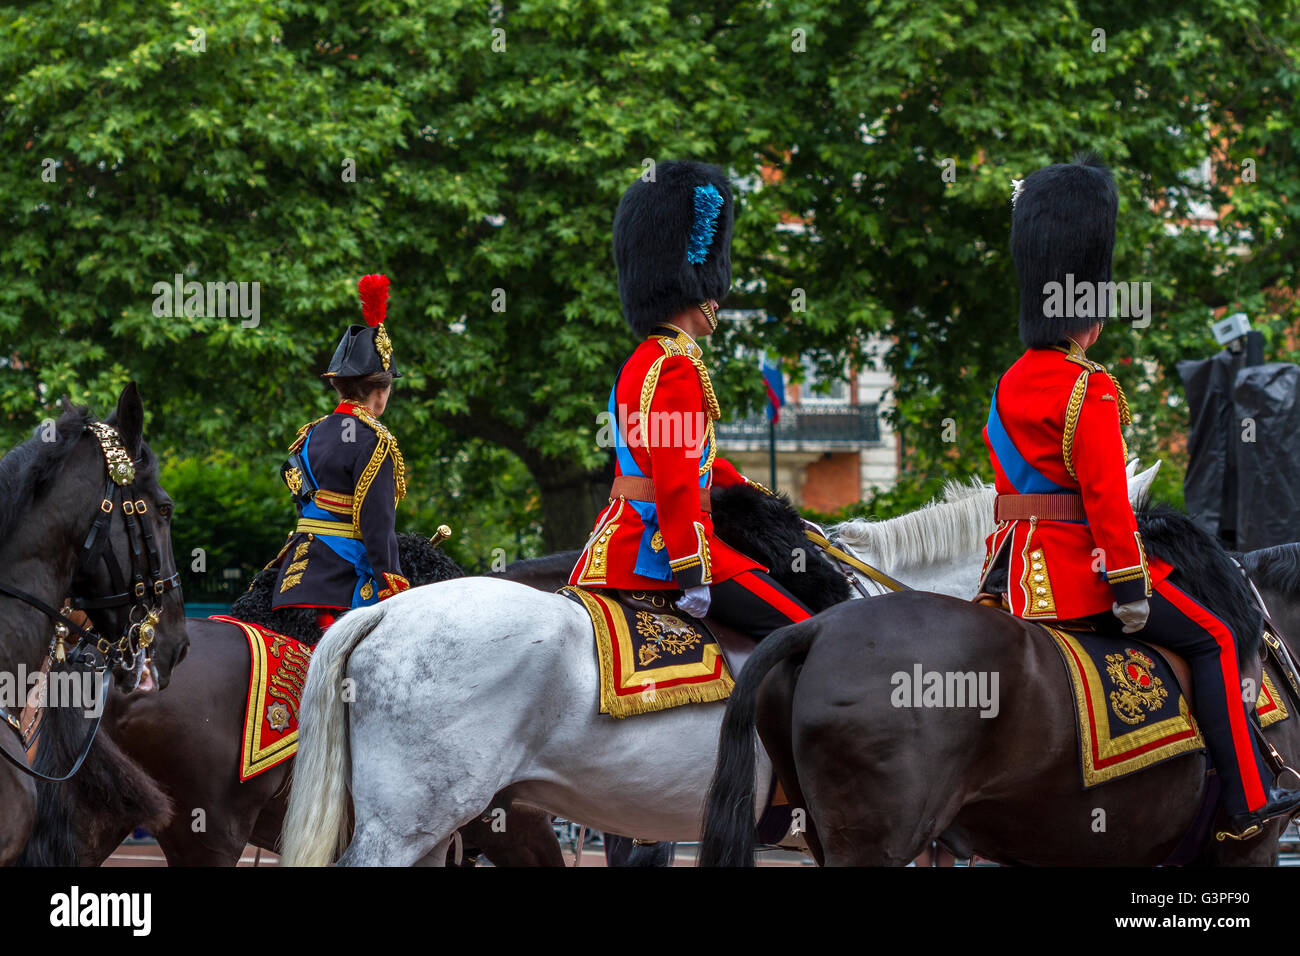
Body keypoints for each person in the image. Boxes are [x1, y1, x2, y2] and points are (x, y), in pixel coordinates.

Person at [978, 155, 1300, 840]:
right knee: (1214, 636)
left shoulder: (1009, 384)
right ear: (1084, 315)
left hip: (1017, 574)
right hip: (1080, 574)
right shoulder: (1087, 387)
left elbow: (1013, 494)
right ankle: (1245, 800)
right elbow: (1104, 502)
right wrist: (1129, 585)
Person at [568, 160, 812, 640]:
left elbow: (699, 466)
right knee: (808, 632)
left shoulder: (643, 358)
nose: (719, 298)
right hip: (659, 549)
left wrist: (768, 508)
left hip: (624, 535)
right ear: (690, 285)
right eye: (711, 289)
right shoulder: (676, 365)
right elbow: (676, 479)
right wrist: (691, 570)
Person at [271, 273, 410, 635]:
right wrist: (393, 589)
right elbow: (378, 529)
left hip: (292, 582)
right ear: (380, 391)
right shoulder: (374, 441)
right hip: (342, 590)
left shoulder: (309, 434)